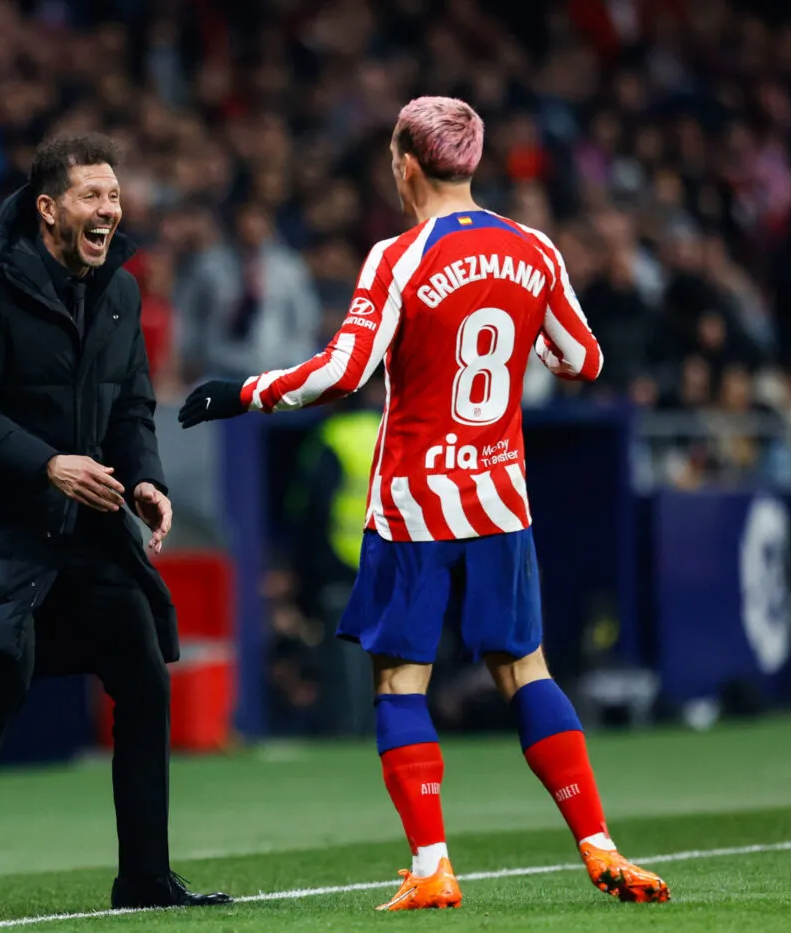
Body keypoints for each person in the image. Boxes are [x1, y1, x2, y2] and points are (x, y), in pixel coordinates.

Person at [180, 97, 669, 910]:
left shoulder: (399, 257)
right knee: (526, 668)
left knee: (401, 681)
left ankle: (433, 863)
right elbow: (583, 358)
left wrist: (241, 392)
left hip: (414, 506)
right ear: (470, 163)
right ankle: (600, 845)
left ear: (405, 162)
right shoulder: (534, 248)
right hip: (500, 498)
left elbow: (342, 372)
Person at [0, 133, 232, 921]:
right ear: (50, 208)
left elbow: (130, 406)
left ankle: (145, 877)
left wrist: (148, 478)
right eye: (94, 196)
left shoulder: (121, 291)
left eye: (116, 196)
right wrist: (49, 464)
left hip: (85, 522)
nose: (111, 210)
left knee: (145, 675)